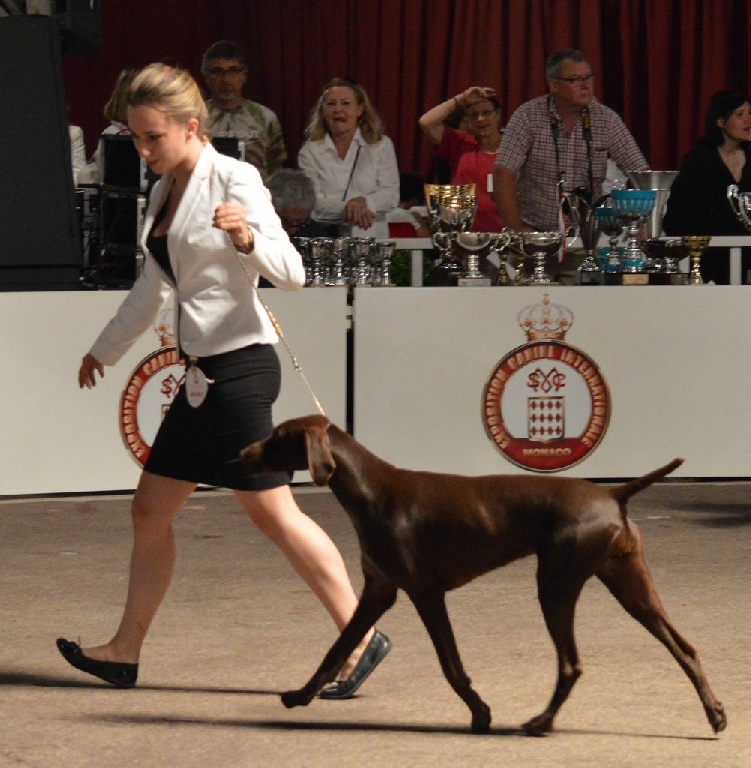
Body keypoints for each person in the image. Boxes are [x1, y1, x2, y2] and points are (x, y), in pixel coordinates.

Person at [56, 63, 390, 700]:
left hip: (241, 369)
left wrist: (246, 237)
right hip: (204, 375)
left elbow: (290, 272)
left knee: (275, 514)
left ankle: (359, 636)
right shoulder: (163, 192)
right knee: (151, 509)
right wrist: (103, 349)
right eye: (136, 138)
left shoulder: (235, 176)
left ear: (191, 126)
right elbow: (151, 289)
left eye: (154, 138)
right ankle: (125, 652)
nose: (145, 151)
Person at [494, 49, 649, 232]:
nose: (586, 86)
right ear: (554, 85)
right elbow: (502, 174)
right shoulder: (528, 116)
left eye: (589, 77)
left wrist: (641, 225)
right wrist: (518, 229)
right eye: (575, 79)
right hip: (537, 232)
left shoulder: (606, 118)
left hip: (589, 233)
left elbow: (641, 173)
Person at [663, 89, 751, 284]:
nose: (748, 120)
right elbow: (677, 215)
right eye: (740, 115)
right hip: (708, 264)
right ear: (720, 121)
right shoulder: (699, 160)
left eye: (749, 113)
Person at [297, 77, 400, 239]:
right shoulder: (309, 151)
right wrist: (349, 207)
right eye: (331, 104)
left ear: (360, 109)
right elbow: (314, 203)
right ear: (323, 111)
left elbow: (390, 195)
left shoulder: (380, 145)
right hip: (327, 241)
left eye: (345, 103)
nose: (338, 110)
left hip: (370, 240)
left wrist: (364, 202)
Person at [419, 87, 505, 232]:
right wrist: (461, 98)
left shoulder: (515, 148)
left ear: (497, 115)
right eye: (474, 115)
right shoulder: (461, 144)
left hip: (506, 237)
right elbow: (426, 122)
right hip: (464, 238)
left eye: (486, 113)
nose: (480, 119)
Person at [202, 40, 286, 180]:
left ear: (244, 76)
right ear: (207, 77)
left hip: (256, 196)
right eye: (218, 72)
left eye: (234, 71)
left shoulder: (265, 118)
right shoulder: (196, 118)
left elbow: (277, 169)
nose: (226, 79)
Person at [265, 168, 330, 239]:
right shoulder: (254, 232)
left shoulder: (314, 233)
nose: (293, 231)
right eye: (287, 222)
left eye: (301, 223)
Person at [385, 171, 431, 237]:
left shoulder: (378, 211)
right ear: (414, 199)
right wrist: (420, 220)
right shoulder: (405, 216)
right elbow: (426, 238)